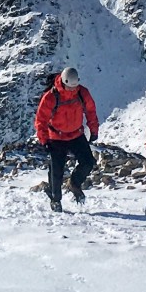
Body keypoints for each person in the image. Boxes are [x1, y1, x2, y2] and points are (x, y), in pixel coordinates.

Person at [35, 66, 99, 212]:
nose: (73, 90)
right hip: (56, 137)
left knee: (88, 162)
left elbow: (90, 111)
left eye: (75, 86)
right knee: (56, 170)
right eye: (70, 87)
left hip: (76, 134)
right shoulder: (51, 96)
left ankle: (74, 183)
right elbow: (41, 120)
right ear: (63, 82)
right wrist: (44, 140)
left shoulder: (82, 93)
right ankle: (55, 199)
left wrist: (94, 130)